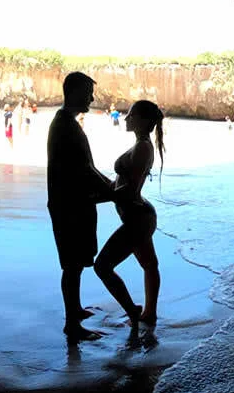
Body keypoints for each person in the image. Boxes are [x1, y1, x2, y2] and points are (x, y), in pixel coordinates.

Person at [47, 72, 115, 341]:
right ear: (74, 92)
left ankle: (75, 309)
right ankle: (72, 326)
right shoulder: (65, 125)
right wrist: (113, 191)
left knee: (74, 263)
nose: (92, 98)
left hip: (71, 202)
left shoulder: (65, 122)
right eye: (88, 92)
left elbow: (87, 168)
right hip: (69, 205)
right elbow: (84, 170)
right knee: (72, 266)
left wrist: (109, 187)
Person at [94, 100, 163, 325]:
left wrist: (95, 199)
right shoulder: (141, 145)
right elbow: (121, 184)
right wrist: (98, 180)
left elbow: (130, 190)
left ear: (143, 121)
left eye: (131, 115)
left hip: (138, 219)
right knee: (150, 265)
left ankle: (134, 310)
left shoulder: (143, 147)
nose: (126, 119)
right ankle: (149, 313)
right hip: (139, 217)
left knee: (102, 266)